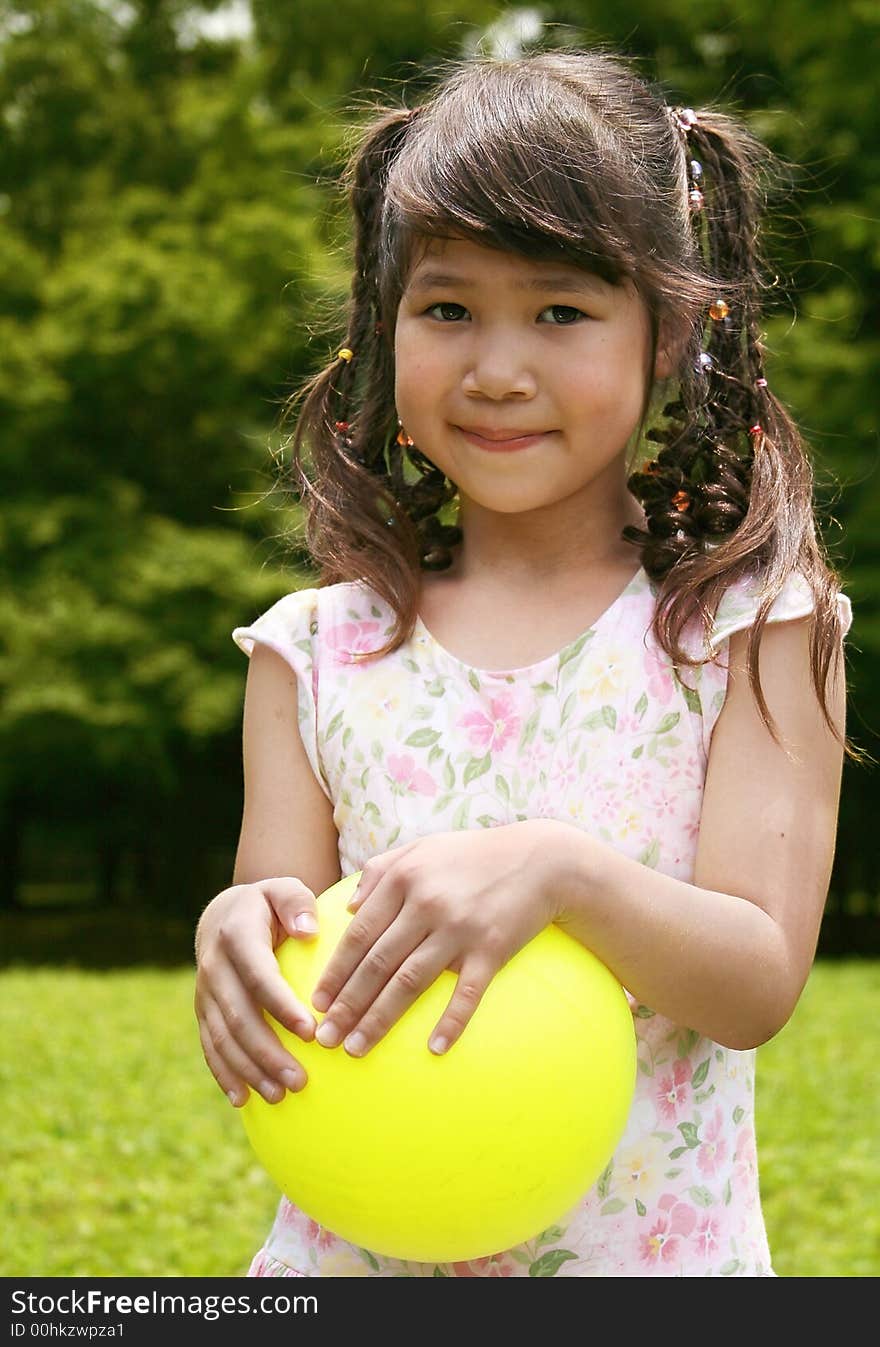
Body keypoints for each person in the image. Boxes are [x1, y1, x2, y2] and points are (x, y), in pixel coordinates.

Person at [194, 47, 861, 1278]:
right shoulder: (314, 650)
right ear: (382, 334)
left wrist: (559, 872)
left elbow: (756, 979)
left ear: (666, 338)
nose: (497, 370)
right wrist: (233, 931)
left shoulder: (749, 626)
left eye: (560, 310)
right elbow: (282, 918)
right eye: (446, 309)